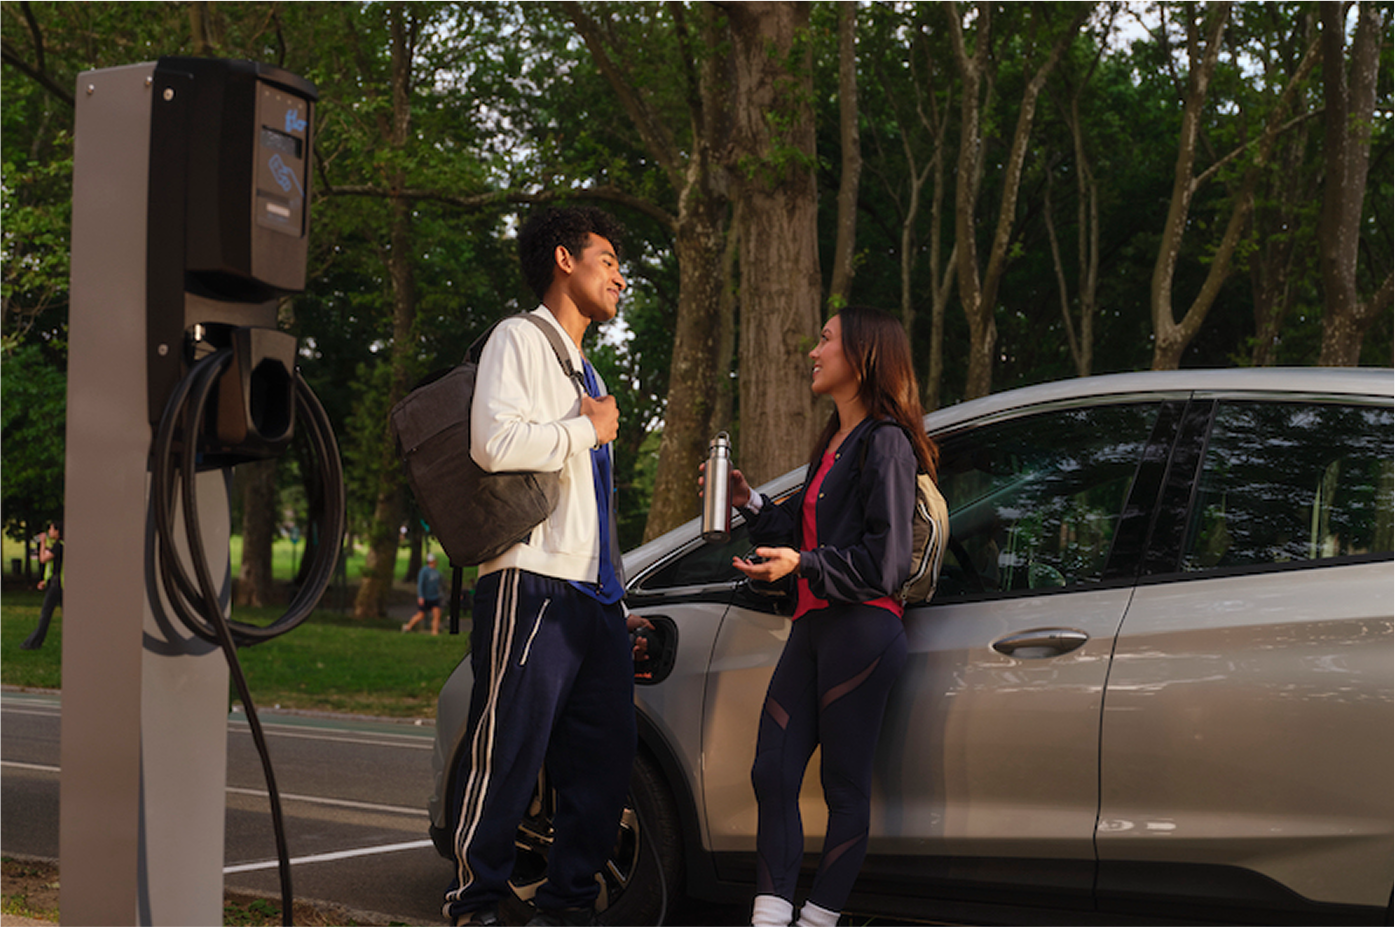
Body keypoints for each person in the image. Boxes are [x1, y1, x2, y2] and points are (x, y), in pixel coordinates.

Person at [443, 206, 650, 927]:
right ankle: (474, 902)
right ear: (565, 259)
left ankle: (567, 907)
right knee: (508, 750)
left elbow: (589, 500)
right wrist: (584, 428)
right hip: (529, 581)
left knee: (604, 762)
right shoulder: (519, 338)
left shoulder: (586, 368)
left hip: (594, 596)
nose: (619, 277)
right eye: (608, 260)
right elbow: (493, 444)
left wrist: (618, 600)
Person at [706, 306, 939, 927]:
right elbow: (804, 534)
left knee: (843, 788)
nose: (813, 351)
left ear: (863, 355)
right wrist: (749, 503)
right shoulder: (834, 442)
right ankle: (770, 916)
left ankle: (817, 919)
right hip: (812, 628)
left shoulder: (887, 442)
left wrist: (803, 565)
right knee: (772, 771)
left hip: (862, 630)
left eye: (826, 340)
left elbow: (885, 563)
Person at [21, 521, 63, 651]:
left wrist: (42, 543)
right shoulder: (61, 545)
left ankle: (33, 643)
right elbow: (57, 567)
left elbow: (43, 559)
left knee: (45, 614)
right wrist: (45, 581)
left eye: (51, 529)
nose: (49, 531)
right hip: (58, 583)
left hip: (56, 586)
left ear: (57, 531)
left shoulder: (58, 546)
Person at [402, 552, 443, 634]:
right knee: (421, 615)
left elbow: (439, 584)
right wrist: (421, 596)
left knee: (437, 614)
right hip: (425, 597)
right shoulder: (424, 571)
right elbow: (420, 584)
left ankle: (435, 632)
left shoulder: (437, 572)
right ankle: (408, 626)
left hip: (434, 597)